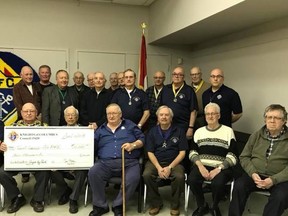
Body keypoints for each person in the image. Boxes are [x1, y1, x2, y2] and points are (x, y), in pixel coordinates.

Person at [229, 104, 288, 216]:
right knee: (239, 186)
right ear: (265, 119)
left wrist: (273, 179)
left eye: (277, 118)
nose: (272, 121)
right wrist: (253, 173)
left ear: (284, 121)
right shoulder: (256, 135)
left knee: (280, 196)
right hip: (255, 175)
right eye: (269, 117)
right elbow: (244, 156)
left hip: (280, 178)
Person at [88, 103, 144, 216]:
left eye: (114, 113)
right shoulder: (101, 129)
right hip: (104, 163)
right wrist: (88, 134)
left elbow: (142, 139)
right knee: (93, 172)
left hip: (129, 162)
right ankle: (100, 206)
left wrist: (133, 145)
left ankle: (118, 205)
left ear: (120, 114)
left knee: (133, 178)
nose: (111, 116)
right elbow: (90, 144)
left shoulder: (130, 125)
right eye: (109, 113)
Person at [187, 103, 237, 216]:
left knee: (218, 183)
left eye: (213, 113)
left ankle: (214, 206)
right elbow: (192, 152)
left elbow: (233, 155)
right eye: (208, 114)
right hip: (202, 165)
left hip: (222, 167)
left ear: (219, 115)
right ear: (205, 116)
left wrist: (219, 168)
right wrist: (200, 166)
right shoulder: (199, 131)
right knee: (192, 180)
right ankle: (202, 205)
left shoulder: (228, 131)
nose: (210, 116)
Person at [0, 103, 50, 213]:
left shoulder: (44, 127)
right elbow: (6, 144)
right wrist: (3, 146)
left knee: (45, 171)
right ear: (21, 113)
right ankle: (17, 197)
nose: (29, 113)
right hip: (17, 161)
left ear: (36, 113)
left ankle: (37, 199)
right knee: (2, 172)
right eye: (26, 111)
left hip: (37, 161)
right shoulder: (12, 128)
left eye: (32, 111)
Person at [143, 105, 188, 216]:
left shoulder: (179, 131)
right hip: (155, 162)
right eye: (161, 115)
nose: (164, 117)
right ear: (157, 117)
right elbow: (150, 152)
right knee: (147, 174)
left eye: (167, 115)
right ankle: (156, 203)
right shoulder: (152, 131)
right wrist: (158, 167)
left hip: (174, 162)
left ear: (171, 118)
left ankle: (175, 205)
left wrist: (170, 167)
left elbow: (182, 153)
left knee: (179, 176)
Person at [50, 106, 88, 213]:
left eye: (73, 115)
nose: (70, 117)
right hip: (62, 163)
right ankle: (65, 190)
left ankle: (73, 199)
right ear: (64, 117)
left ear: (77, 117)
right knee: (51, 168)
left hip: (78, 163)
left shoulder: (85, 131)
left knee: (83, 169)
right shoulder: (58, 131)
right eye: (68, 115)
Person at [160, 66, 198, 139]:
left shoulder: (189, 90)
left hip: (183, 126)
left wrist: (191, 127)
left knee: (181, 147)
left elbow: (193, 110)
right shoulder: (165, 89)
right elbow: (161, 108)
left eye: (180, 74)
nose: (177, 76)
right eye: (174, 74)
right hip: (167, 125)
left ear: (183, 77)